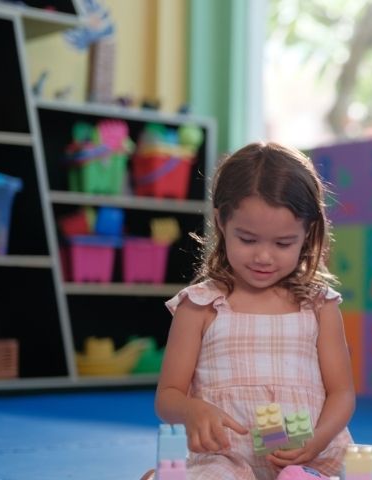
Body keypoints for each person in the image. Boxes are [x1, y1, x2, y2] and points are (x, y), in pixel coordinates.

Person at [151, 142, 355, 480]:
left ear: (306, 234)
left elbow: (341, 393)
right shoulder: (200, 305)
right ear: (221, 222)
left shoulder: (319, 305)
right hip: (225, 458)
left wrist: (317, 442)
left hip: (311, 457)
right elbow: (168, 396)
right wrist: (192, 409)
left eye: (283, 243)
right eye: (247, 240)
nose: (263, 257)